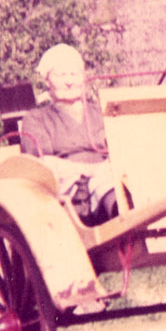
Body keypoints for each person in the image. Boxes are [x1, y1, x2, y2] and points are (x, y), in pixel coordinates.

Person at [20, 44, 118, 224]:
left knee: (111, 178)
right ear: (47, 81)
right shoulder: (37, 119)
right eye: (61, 75)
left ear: (83, 79)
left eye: (74, 74)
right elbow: (41, 164)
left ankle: (124, 216)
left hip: (108, 178)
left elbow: (122, 149)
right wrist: (89, 170)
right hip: (67, 185)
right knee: (103, 177)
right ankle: (120, 217)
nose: (69, 81)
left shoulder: (101, 111)